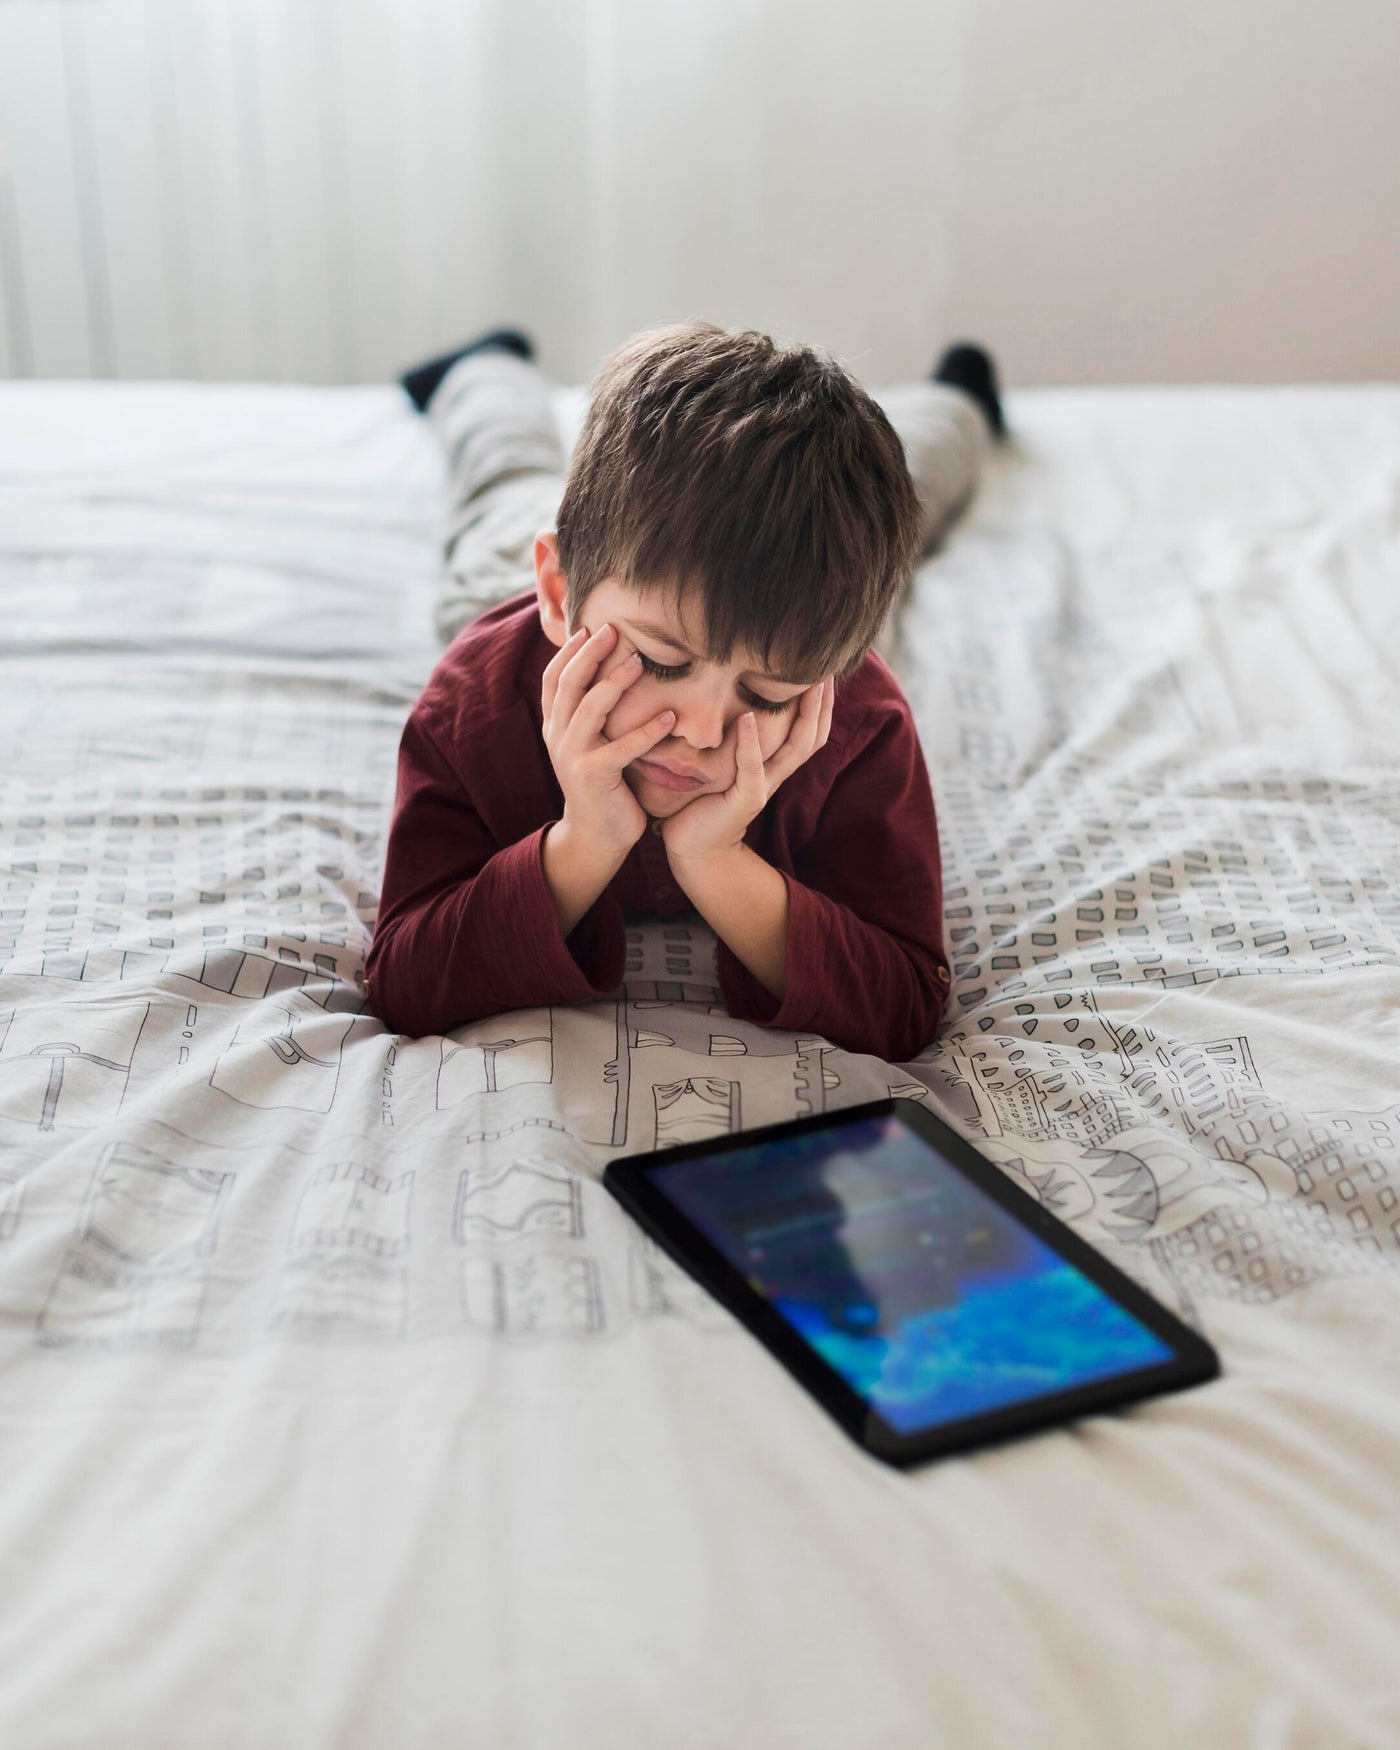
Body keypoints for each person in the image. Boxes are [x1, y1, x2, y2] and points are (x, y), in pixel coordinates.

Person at [364, 320, 1003, 1062]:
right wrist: (585, 841)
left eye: (764, 696)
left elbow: (903, 1003)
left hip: (780, 604)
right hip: (509, 578)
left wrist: (716, 858)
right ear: (557, 589)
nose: (701, 731)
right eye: (660, 661)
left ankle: (960, 403)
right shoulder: (470, 704)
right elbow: (406, 982)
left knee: (911, 486)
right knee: (507, 483)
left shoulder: (852, 714)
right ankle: (482, 370)